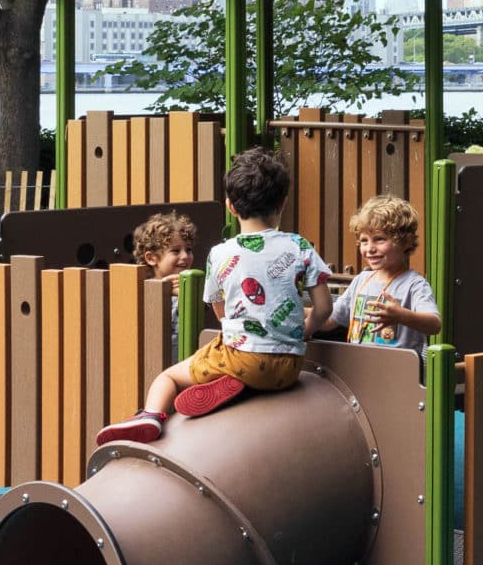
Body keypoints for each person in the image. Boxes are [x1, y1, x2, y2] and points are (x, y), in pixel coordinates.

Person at [97, 148, 330, 445]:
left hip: (241, 357)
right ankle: (237, 383)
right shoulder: (299, 246)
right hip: (288, 368)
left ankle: (151, 416)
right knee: (245, 359)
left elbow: (222, 314)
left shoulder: (220, 254)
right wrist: (303, 333)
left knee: (167, 377)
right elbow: (323, 308)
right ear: (283, 201)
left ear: (231, 207)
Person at [323, 195, 441, 356]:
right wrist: (297, 312)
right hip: (359, 367)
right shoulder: (361, 280)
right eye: (364, 241)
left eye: (379, 239)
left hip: (396, 371)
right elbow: (330, 319)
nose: (369, 248)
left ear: (406, 242)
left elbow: (434, 324)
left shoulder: (414, 284)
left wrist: (401, 316)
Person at [130, 210, 199, 362]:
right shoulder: (142, 291)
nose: (185, 256)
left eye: (188, 249)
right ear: (151, 258)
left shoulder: (196, 286)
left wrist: (186, 295)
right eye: (175, 251)